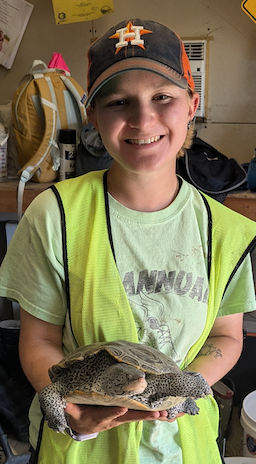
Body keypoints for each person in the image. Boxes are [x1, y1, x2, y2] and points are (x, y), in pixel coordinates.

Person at [0, 18, 256, 464]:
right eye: (119, 102)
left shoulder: (225, 230)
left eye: (162, 97)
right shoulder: (55, 215)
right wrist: (66, 404)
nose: (143, 119)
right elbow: (38, 340)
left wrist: (182, 386)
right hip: (82, 449)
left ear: (191, 104)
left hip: (184, 446)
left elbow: (226, 336)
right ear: (93, 116)